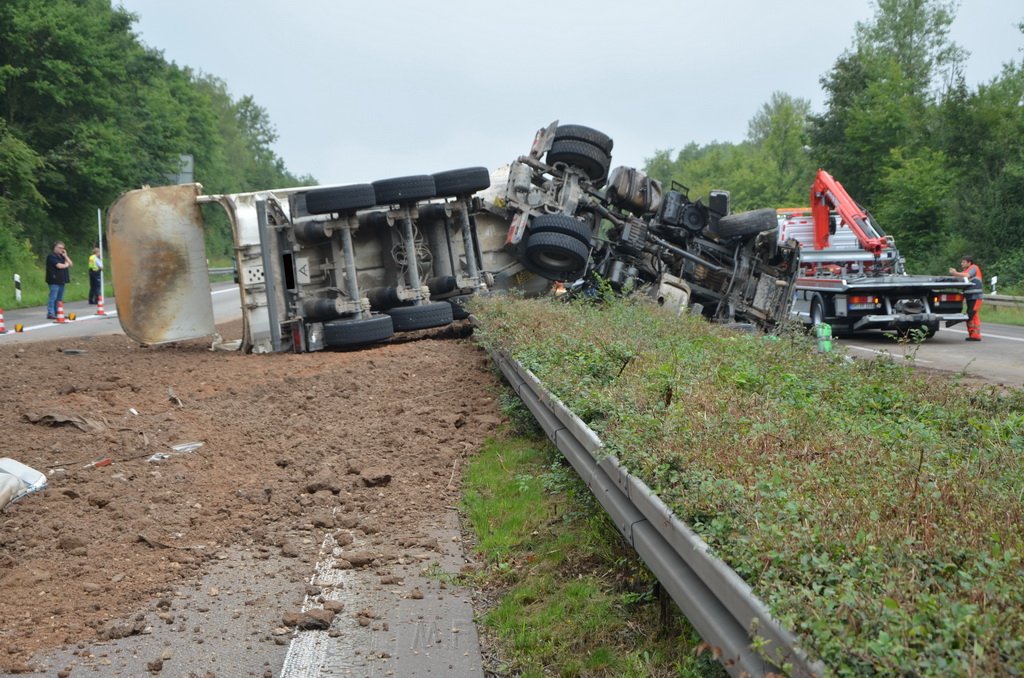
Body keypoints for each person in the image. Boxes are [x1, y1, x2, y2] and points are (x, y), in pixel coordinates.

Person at [949, 255, 983, 341]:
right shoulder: (966, 270)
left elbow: (967, 275)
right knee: (970, 314)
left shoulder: (974, 268)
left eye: (963, 262)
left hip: (976, 296)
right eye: (962, 262)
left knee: (972, 314)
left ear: (969, 263)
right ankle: (972, 335)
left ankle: (976, 335)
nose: (961, 264)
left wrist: (956, 273)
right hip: (970, 296)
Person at [45, 241, 72, 319]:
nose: (61, 250)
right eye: (59, 248)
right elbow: (59, 266)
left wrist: (66, 256)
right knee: (53, 297)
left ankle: (58, 312)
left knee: (59, 298)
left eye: (63, 248)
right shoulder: (51, 256)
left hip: (62, 279)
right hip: (54, 280)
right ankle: (50, 313)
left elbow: (71, 264)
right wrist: (66, 265)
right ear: (55, 247)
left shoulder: (62, 256)